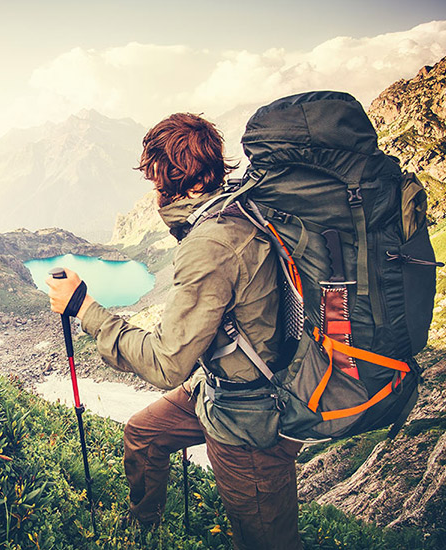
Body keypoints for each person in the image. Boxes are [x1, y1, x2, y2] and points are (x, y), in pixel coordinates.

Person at [46, 113, 303, 550]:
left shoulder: (212, 244)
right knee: (144, 435)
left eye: (159, 179)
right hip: (218, 388)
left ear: (180, 181)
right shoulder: (232, 209)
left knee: (265, 541)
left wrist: (84, 309)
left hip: (251, 418)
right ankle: (145, 530)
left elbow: (167, 363)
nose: (155, 190)